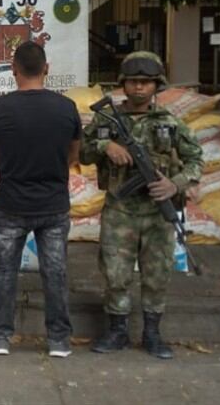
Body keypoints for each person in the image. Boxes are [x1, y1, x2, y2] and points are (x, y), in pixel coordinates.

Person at [81, 51, 203, 359]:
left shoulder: (169, 123)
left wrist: (174, 184)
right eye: (133, 82)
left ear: (156, 86)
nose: (139, 88)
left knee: (157, 273)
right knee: (115, 272)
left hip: (157, 211)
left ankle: (152, 333)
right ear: (123, 85)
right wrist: (104, 145)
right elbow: (80, 151)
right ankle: (117, 330)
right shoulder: (106, 118)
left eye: (146, 83)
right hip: (120, 209)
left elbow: (196, 161)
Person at [0, 41, 81, 358]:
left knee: (5, 272)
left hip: (11, 204)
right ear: (47, 69)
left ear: (13, 71)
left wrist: (12, 169)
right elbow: (73, 154)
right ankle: (59, 341)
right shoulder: (67, 108)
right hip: (53, 204)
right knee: (56, 273)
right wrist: (50, 171)